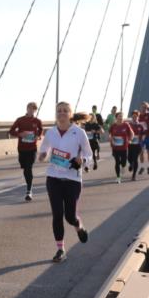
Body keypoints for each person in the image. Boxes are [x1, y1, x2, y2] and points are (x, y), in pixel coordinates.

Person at [38, 101, 92, 262]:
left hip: (72, 179)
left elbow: (89, 155)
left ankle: (78, 225)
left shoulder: (79, 133)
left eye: (64, 111)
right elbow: (44, 149)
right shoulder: (51, 132)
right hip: (53, 178)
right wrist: (42, 155)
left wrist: (82, 160)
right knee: (57, 215)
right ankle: (60, 249)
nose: (61, 113)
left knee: (69, 216)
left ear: (70, 114)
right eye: (59, 111)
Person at [9, 102, 44, 201]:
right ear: (27, 108)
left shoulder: (37, 121)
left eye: (33, 109)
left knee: (29, 168)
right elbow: (11, 131)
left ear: (35, 110)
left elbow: (41, 130)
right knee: (25, 168)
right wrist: (20, 134)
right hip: (22, 148)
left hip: (32, 148)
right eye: (30, 108)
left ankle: (29, 190)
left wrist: (38, 135)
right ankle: (29, 185)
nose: (31, 110)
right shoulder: (20, 120)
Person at [107, 112, 134, 184]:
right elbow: (109, 133)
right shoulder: (113, 126)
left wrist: (130, 139)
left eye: (122, 116)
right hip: (115, 147)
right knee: (117, 162)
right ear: (116, 117)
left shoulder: (126, 125)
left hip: (124, 147)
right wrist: (110, 138)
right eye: (119, 116)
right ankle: (118, 177)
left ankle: (123, 166)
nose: (121, 118)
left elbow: (132, 133)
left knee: (123, 162)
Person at [138, 101, 149, 175]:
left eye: (145, 107)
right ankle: (142, 167)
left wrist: (148, 108)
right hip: (141, 137)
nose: (144, 108)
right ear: (140, 107)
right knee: (141, 152)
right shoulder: (138, 116)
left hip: (148, 136)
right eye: (143, 107)